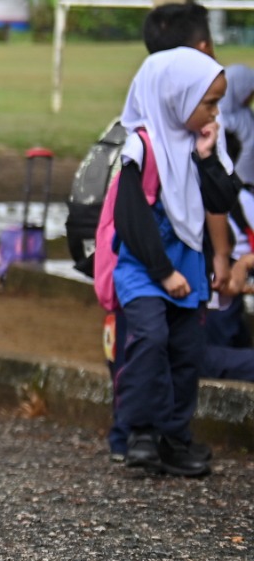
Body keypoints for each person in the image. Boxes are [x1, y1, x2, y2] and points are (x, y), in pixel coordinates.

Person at [111, 48, 236, 477]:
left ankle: (174, 438)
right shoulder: (140, 148)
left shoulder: (205, 146)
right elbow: (129, 216)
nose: (215, 112)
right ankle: (139, 433)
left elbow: (222, 201)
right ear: (175, 98)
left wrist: (206, 158)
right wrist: (163, 272)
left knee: (186, 352)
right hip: (146, 268)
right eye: (208, 102)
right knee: (149, 338)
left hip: (192, 269)